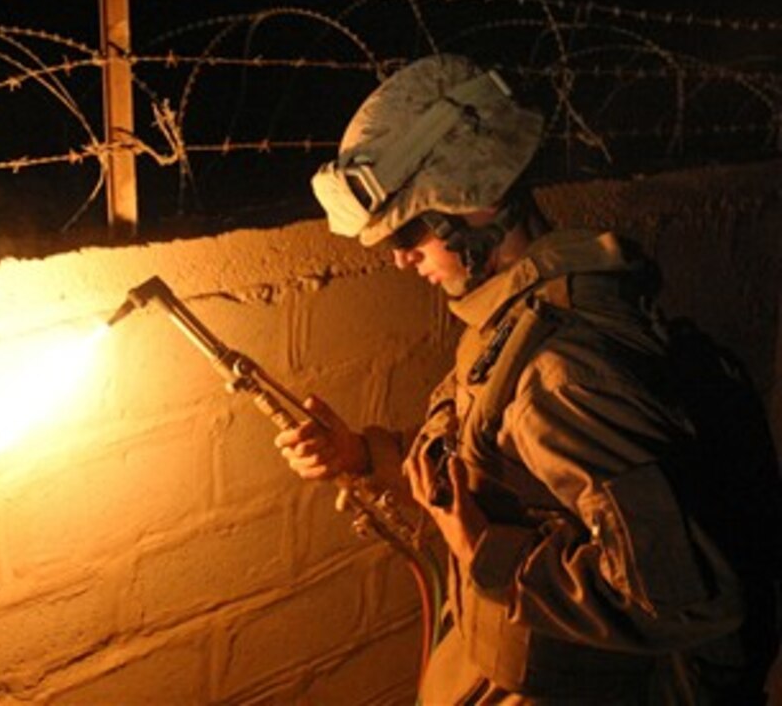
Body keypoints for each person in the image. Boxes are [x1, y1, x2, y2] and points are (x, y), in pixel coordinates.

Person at [274, 54, 780, 704]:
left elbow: (685, 597)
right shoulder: (519, 313)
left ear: (476, 201)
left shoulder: (559, 374)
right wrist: (362, 455)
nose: (400, 258)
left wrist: (483, 551)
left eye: (407, 232)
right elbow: (495, 475)